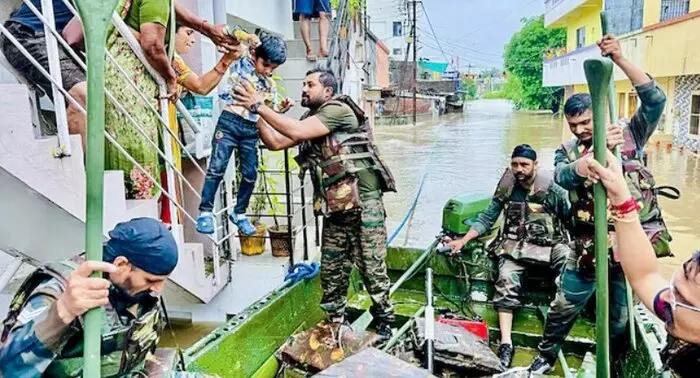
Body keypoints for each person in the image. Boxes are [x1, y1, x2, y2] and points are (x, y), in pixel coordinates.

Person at [528, 34, 670, 374]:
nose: (579, 130)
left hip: (629, 246)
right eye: (573, 125)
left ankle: (618, 364)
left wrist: (620, 59)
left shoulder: (630, 135)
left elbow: (655, 100)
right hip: (589, 248)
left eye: (586, 123)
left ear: (600, 113)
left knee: (620, 319)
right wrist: (587, 161)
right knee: (564, 307)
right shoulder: (569, 150)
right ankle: (545, 357)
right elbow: (561, 177)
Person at [232, 67, 398, 338]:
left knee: (372, 269)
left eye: (310, 84)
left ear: (328, 91)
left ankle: (385, 323)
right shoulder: (312, 119)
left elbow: (296, 130)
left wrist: (258, 105)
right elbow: (274, 142)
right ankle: (335, 323)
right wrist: (255, 113)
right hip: (337, 210)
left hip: (365, 206)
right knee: (332, 271)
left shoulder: (339, 110)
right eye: (303, 84)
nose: (304, 89)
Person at [0, 218, 188, 377]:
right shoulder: (60, 290)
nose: (158, 289)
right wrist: (63, 311)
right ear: (121, 264)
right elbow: (7, 368)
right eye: (151, 280)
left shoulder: (137, 291)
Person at [445, 144, 571, 369]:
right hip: (516, 248)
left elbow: (570, 218)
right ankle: (506, 344)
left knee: (569, 263)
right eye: (515, 164)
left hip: (550, 245)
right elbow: (487, 218)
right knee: (505, 276)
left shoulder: (553, 190)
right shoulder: (507, 187)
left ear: (535, 165)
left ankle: (558, 326)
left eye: (524, 164)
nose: (519, 169)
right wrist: (463, 240)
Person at [583, 150, 700, 378]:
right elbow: (644, 276)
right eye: (674, 287)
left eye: (681, 300)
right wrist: (620, 198)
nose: (666, 297)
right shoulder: (681, 313)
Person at [195, 32, 291, 236]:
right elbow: (233, 32)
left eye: (273, 68)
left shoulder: (269, 85)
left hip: (250, 129)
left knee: (250, 174)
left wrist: (281, 109)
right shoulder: (243, 62)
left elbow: (268, 112)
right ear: (255, 55)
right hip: (229, 123)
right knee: (216, 168)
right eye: (266, 65)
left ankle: (239, 213)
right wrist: (250, 38)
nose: (268, 71)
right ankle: (205, 211)